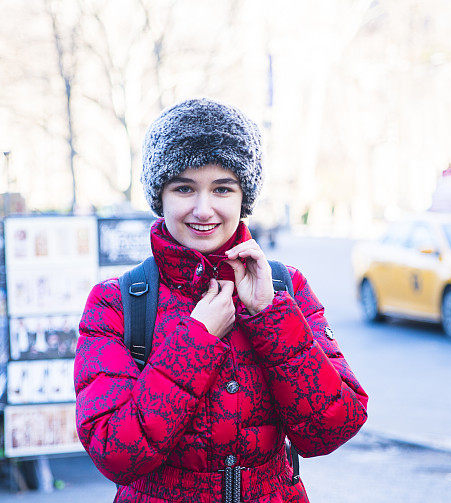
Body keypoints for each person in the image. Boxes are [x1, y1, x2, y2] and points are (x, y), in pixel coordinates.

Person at [74, 98, 368, 503]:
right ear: (160, 196)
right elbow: (115, 453)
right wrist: (195, 341)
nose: (203, 209)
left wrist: (271, 316)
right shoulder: (117, 303)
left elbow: (333, 426)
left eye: (222, 189)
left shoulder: (286, 289)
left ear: (243, 197)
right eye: (184, 188)